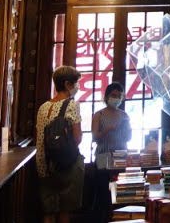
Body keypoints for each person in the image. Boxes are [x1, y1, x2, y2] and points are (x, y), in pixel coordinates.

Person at [37, 65, 85, 223]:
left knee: (48, 211)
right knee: (65, 210)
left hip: (47, 164)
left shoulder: (43, 108)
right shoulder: (72, 105)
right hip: (68, 164)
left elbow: (40, 141)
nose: (77, 87)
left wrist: (43, 169)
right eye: (76, 83)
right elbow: (77, 138)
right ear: (67, 84)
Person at [91, 82, 131, 220]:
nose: (116, 98)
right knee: (104, 194)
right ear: (107, 96)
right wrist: (107, 130)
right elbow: (95, 137)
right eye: (114, 95)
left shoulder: (124, 115)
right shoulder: (99, 115)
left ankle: (119, 218)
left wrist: (127, 129)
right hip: (103, 158)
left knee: (119, 194)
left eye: (119, 96)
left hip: (121, 157)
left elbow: (128, 138)